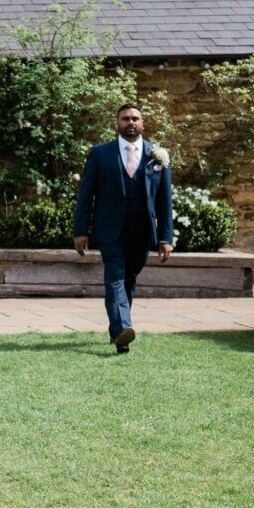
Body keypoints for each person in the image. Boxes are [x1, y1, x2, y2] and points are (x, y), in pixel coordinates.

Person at [72, 104, 174, 353]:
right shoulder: (100, 153)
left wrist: (165, 237)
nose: (130, 122)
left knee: (129, 278)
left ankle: (117, 329)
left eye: (135, 118)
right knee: (115, 276)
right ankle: (122, 329)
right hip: (110, 229)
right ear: (117, 123)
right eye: (125, 118)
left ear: (143, 123)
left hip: (142, 232)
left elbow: (164, 200)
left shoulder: (157, 155)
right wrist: (80, 230)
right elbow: (86, 195)